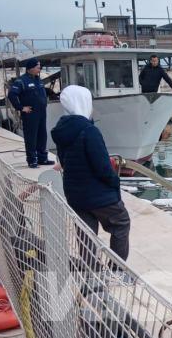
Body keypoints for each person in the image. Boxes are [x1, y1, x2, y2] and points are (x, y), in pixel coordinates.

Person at [51, 85, 131, 262]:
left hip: (75, 193)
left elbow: (64, 162)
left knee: (86, 234)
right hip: (99, 194)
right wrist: (114, 182)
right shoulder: (90, 131)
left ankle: (90, 274)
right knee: (120, 223)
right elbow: (102, 167)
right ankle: (117, 270)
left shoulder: (61, 130)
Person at [8, 58, 53, 168]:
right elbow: (12, 95)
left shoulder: (38, 80)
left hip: (41, 113)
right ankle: (32, 160)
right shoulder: (21, 81)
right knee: (31, 137)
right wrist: (21, 107)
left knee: (42, 136)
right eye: (38, 67)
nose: (39, 69)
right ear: (31, 68)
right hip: (30, 114)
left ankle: (42, 158)